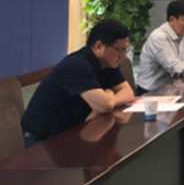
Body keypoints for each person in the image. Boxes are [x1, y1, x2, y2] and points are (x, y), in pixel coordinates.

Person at [20, 19, 135, 147]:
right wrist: (108, 94)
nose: (123, 56)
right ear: (98, 46)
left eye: (125, 50)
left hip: (70, 134)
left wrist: (106, 101)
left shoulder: (108, 64)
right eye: (120, 50)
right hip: (40, 141)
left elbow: (127, 93)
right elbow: (104, 106)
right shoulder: (77, 65)